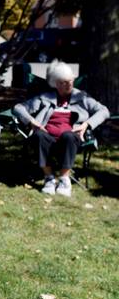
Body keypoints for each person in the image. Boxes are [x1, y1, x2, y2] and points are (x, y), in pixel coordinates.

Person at [12, 61, 109, 197]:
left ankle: (64, 179)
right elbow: (18, 108)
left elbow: (104, 111)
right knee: (39, 136)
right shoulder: (44, 97)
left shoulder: (82, 97)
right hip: (47, 137)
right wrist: (31, 121)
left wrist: (87, 124)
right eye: (64, 82)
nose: (69, 84)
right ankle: (49, 178)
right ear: (56, 83)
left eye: (71, 81)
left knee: (68, 136)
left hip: (72, 137)